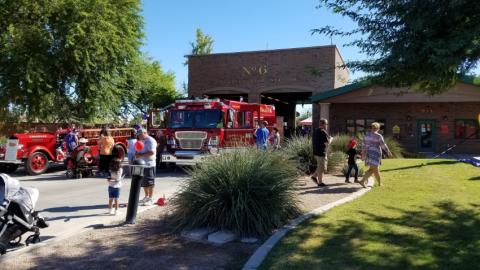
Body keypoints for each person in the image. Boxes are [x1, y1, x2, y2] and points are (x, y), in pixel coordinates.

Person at [359, 122, 392, 188]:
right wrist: (388, 152)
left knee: (373, 169)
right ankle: (362, 181)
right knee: (375, 169)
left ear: (371, 128)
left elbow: (363, 146)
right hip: (375, 154)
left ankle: (379, 183)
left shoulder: (367, 135)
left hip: (368, 153)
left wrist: (363, 154)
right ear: (378, 128)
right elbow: (383, 145)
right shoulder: (379, 136)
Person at [135, 128, 157, 206]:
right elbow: (138, 150)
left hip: (149, 164)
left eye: (140, 135)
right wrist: (137, 154)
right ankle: (146, 196)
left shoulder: (151, 140)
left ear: (145, 133)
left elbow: (151, 152)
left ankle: (150, 199)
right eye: (138, 135)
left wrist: (140, 155)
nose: (139, 136)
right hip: (141, 164)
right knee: (143, 182)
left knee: (150, 182)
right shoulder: (141, 141)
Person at [311, 119, 331, 187]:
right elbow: (327, 143)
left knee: (320, 167)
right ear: (323, 124)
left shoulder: (315, 131)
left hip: (316, 152)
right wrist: (331, 139)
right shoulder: (323, 132)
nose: (327, 126)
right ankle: (319, 182)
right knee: (321, 168)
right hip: (321, 152)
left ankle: (316, 178)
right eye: (326, 124)